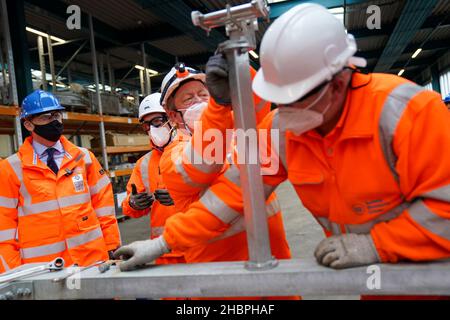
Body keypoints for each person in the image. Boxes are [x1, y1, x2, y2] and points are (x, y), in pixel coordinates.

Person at [203, 2, 450, 273]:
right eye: (279, 99)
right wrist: (164, 243)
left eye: (295, 98)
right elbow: (234, 191)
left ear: (338, 83)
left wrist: (376, 245)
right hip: (380, 277)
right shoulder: (285, 132)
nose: (285, 112)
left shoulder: (406, 111)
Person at [114, 64, 295, 299]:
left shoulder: (237, 132)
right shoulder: (173, 155)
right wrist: (217, 108)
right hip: (221, 282)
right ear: (173, 115)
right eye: (188, 99)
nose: (199, 102)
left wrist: (239, 69)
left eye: (203, 95)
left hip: (274, 269)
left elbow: (257, 108)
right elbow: (203, 161)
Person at [0, 90, 121, 273]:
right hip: (44, 272)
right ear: (28, 124)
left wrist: (112, 245)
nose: (54, 121)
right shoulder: (11, 168)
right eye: (46, 117)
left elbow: (103, 206)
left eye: (57, 115)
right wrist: (14, 273)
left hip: (93, 262)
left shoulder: (84, 158)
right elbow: (4, 229)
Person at [121, 92, 184, 265]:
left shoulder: (194, 150)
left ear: (171, 117)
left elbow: (219, 193)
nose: (152, 128)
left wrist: (181, 197)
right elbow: (130, 208)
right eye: (146, 125)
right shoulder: (144, 164)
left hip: (199, 247)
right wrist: (133, 203)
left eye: (157, 121)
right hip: (164, 252)